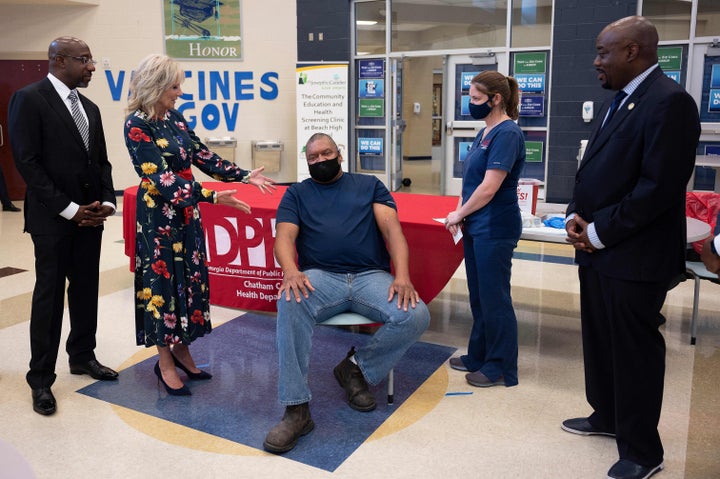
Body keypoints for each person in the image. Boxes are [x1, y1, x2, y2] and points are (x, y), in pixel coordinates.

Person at [563, 16, 700, 479]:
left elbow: (658, 188)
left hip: (634, 256)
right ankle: (607, 415)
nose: (596, 60)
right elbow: (595, 168)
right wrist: (575, 216)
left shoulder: (670, 102)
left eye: (603, 52)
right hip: (598, 251)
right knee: (600, 340)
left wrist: (599, 232)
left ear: (632, 52)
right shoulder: (617, 101)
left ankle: (643, 451)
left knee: (634, 351)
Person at [263, 133, 430, 454]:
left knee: (415, 314)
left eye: (326, 153)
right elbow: (283, 237)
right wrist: (291, 271)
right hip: (320, 277)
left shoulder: (369, 186)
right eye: (313, 158)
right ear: (307, 162)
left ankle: (356, 367)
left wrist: (403, 275)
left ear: (339, 154)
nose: (320, 161)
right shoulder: (297, 194)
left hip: (371, 276)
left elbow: (392, 230)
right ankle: (296, 409)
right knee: (289, 299)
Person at [124, 54, 275, 396]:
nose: (179, 92)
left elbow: (202, 155)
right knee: (162, 288)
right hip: (158, 221)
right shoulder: (137, 125)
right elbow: (161, 179)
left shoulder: (174, 118)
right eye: (174, 86)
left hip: (186, 215)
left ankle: (182, 349)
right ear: (157, 85)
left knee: (188, 283)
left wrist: (244, 175)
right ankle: (164, 362)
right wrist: (211, 196)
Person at [8, 37, 119, 416]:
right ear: (58, 61)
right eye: (84, 60)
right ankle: (40, 379)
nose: (91, 67)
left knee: (87, 288)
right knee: (50, 296)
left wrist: (106, 201)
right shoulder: (29, 98)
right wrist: (70, 209)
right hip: (54, 219)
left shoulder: (90, 107)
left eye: (92, 60)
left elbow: (101, 161)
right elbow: (27, 163)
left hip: (91, 217)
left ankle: (82, 356)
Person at [444, 71, 525, 389]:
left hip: (495, 226)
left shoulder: (507, 134)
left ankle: (500, 365)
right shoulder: (485, 132)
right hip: (477, 223)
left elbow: (490, 187)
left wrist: (459, 213)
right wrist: (460, 211)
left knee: (495, 298)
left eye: (477, 99)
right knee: (478, 295)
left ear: (496, 99)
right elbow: (472, 181)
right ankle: (479, 354)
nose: (471, 104)